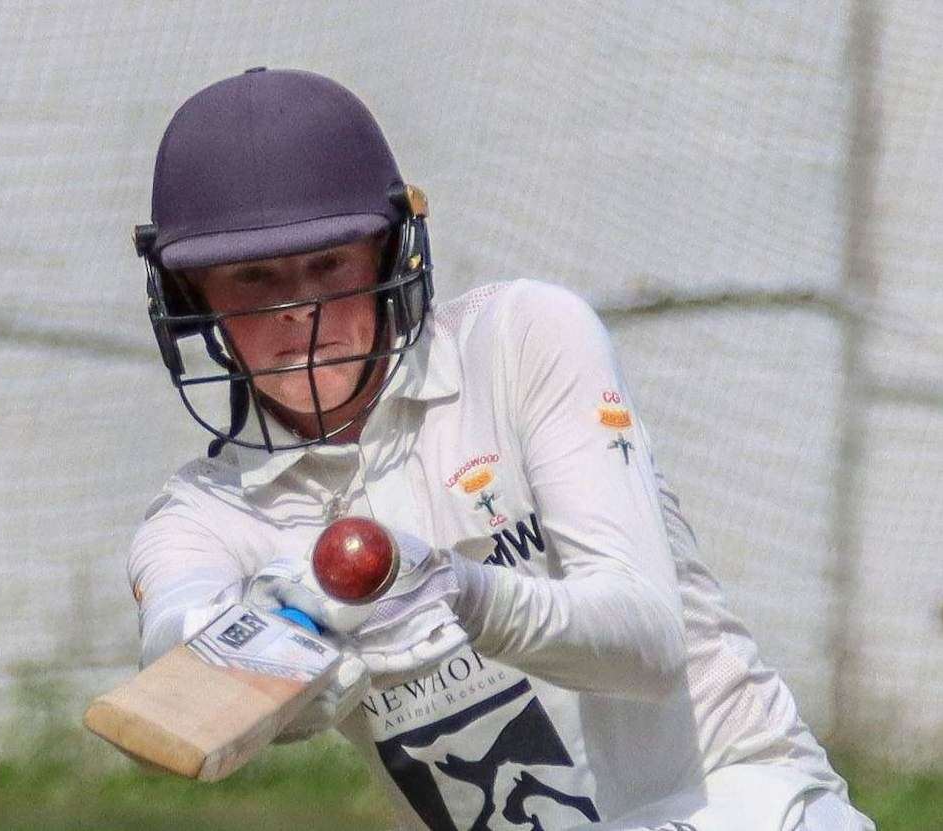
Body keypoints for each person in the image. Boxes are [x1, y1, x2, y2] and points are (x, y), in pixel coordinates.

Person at [126, 68, 874, 831]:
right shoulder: (200, 515)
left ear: (389, 255)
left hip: (736, 806)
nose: (302, 315)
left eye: (329, 265)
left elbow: (644, 638)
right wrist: (269, 653)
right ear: (192, 301)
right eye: (255, 279)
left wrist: (461, 592)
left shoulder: (522, 342)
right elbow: (176, 661)